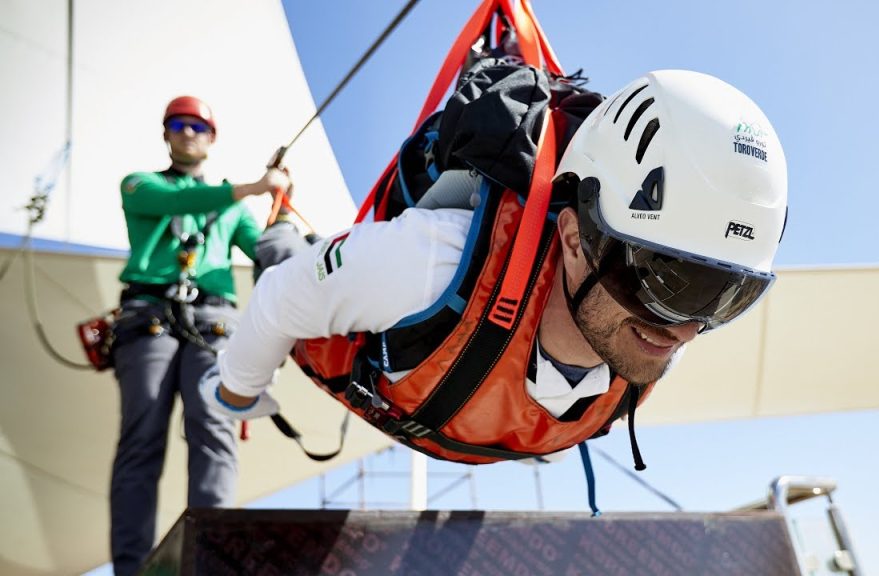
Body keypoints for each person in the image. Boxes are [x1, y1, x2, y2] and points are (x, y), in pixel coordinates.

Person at [200, 70, 788, 468]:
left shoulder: (654, 343)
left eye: (725, 298)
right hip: (350, 316)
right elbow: (280, 295)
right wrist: (236, 392)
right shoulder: (430, 262)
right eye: (662, 278)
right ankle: (276, 219)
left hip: (436, 393)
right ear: (575, 236)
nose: (683, 328)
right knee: (282, 252)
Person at [109, 95, 291, 576]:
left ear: (211, 138)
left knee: (213, 430)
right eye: (178, 124)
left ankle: (210, 559)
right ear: (166, 134)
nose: (188, 132)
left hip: (212, 321)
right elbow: (174, 200)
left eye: (197, 126)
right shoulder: (138, 185)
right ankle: (131, 568)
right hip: (149, 317)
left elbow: (264, 251)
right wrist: (252, 187)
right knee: (141, 438)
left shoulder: (232, 211)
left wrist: (282, 214)